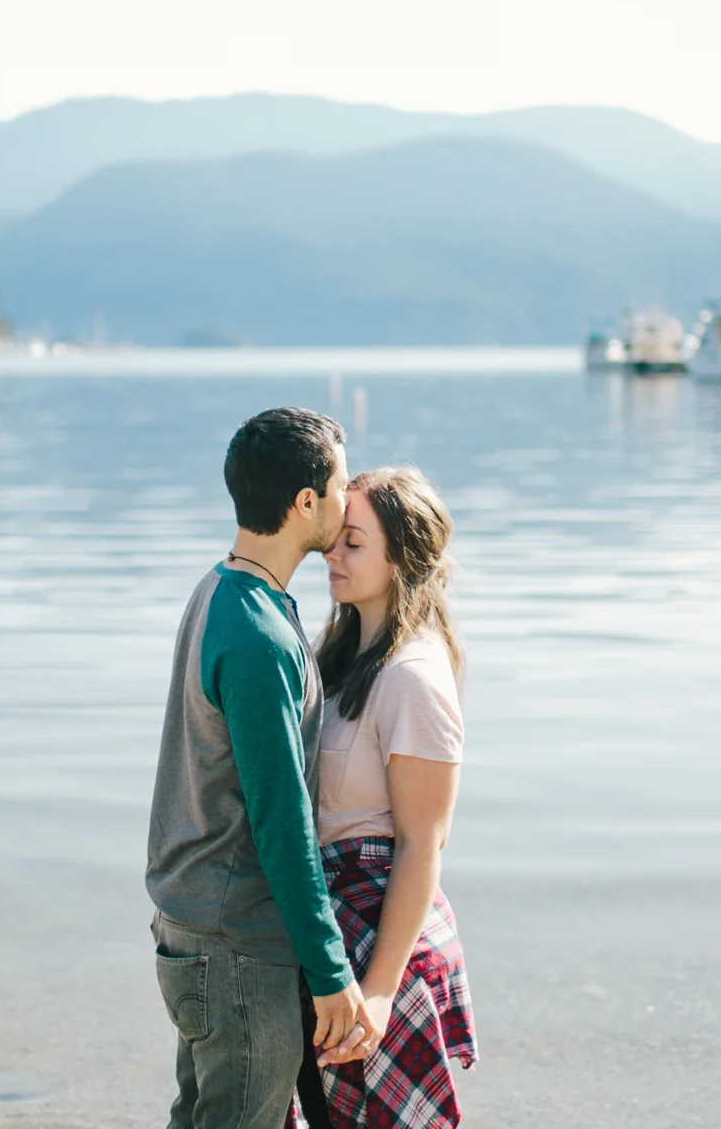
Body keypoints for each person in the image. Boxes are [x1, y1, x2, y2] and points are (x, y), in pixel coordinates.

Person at [147, 407, 384, 1129]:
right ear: (305, 502)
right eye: (340, 486)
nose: (347, 502)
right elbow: (280, 823)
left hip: (195, 928)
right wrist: (332, 968)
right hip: (238, 948)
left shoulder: (221, 589)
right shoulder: (258, 637)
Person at [293, 466, 477, 1129]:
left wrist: (378, 990)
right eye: (334, 540)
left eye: (352, 543)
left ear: (400, 557)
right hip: (337, 925)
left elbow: (423, 844)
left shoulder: (413, 676)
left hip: (382, 938)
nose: (330, 557)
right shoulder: (340, 652)